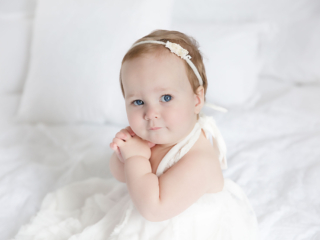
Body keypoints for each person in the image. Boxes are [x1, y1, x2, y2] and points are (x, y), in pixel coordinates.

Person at [13, 30, 259, 240]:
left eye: (166, 98)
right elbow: (123, 177)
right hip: (147, 202)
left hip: (188, 226)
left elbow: (153, 209)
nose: (151, 113)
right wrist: (124, 155)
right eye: (138, 101)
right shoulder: (156, 135)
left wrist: (136, 160)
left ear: (197, 99)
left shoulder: (199, 161)